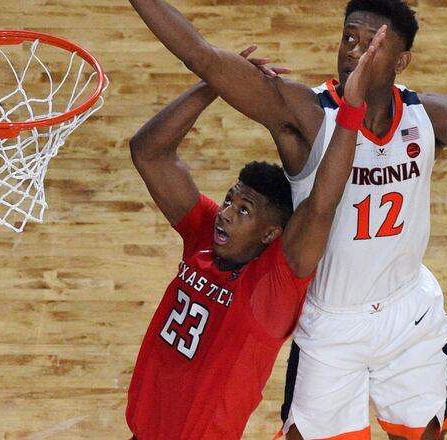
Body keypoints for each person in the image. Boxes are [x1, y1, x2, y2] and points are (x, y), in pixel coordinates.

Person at [128, 0, 447, 438]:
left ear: (401, 61)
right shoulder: (307, 113)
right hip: (330, 319)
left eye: (372, 44)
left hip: (406, 312)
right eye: (349, 38)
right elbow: (199, 54)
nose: (354, 51)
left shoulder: (429, 115)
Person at [125, 33, 388, 440]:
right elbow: (148, 152)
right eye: (230, 200)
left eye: (242, 210)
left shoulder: (271, 287)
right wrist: (213, 83)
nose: (226, 213)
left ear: (271, 234)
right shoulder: (206, 237)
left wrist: (351, 112)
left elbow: (321, 204)